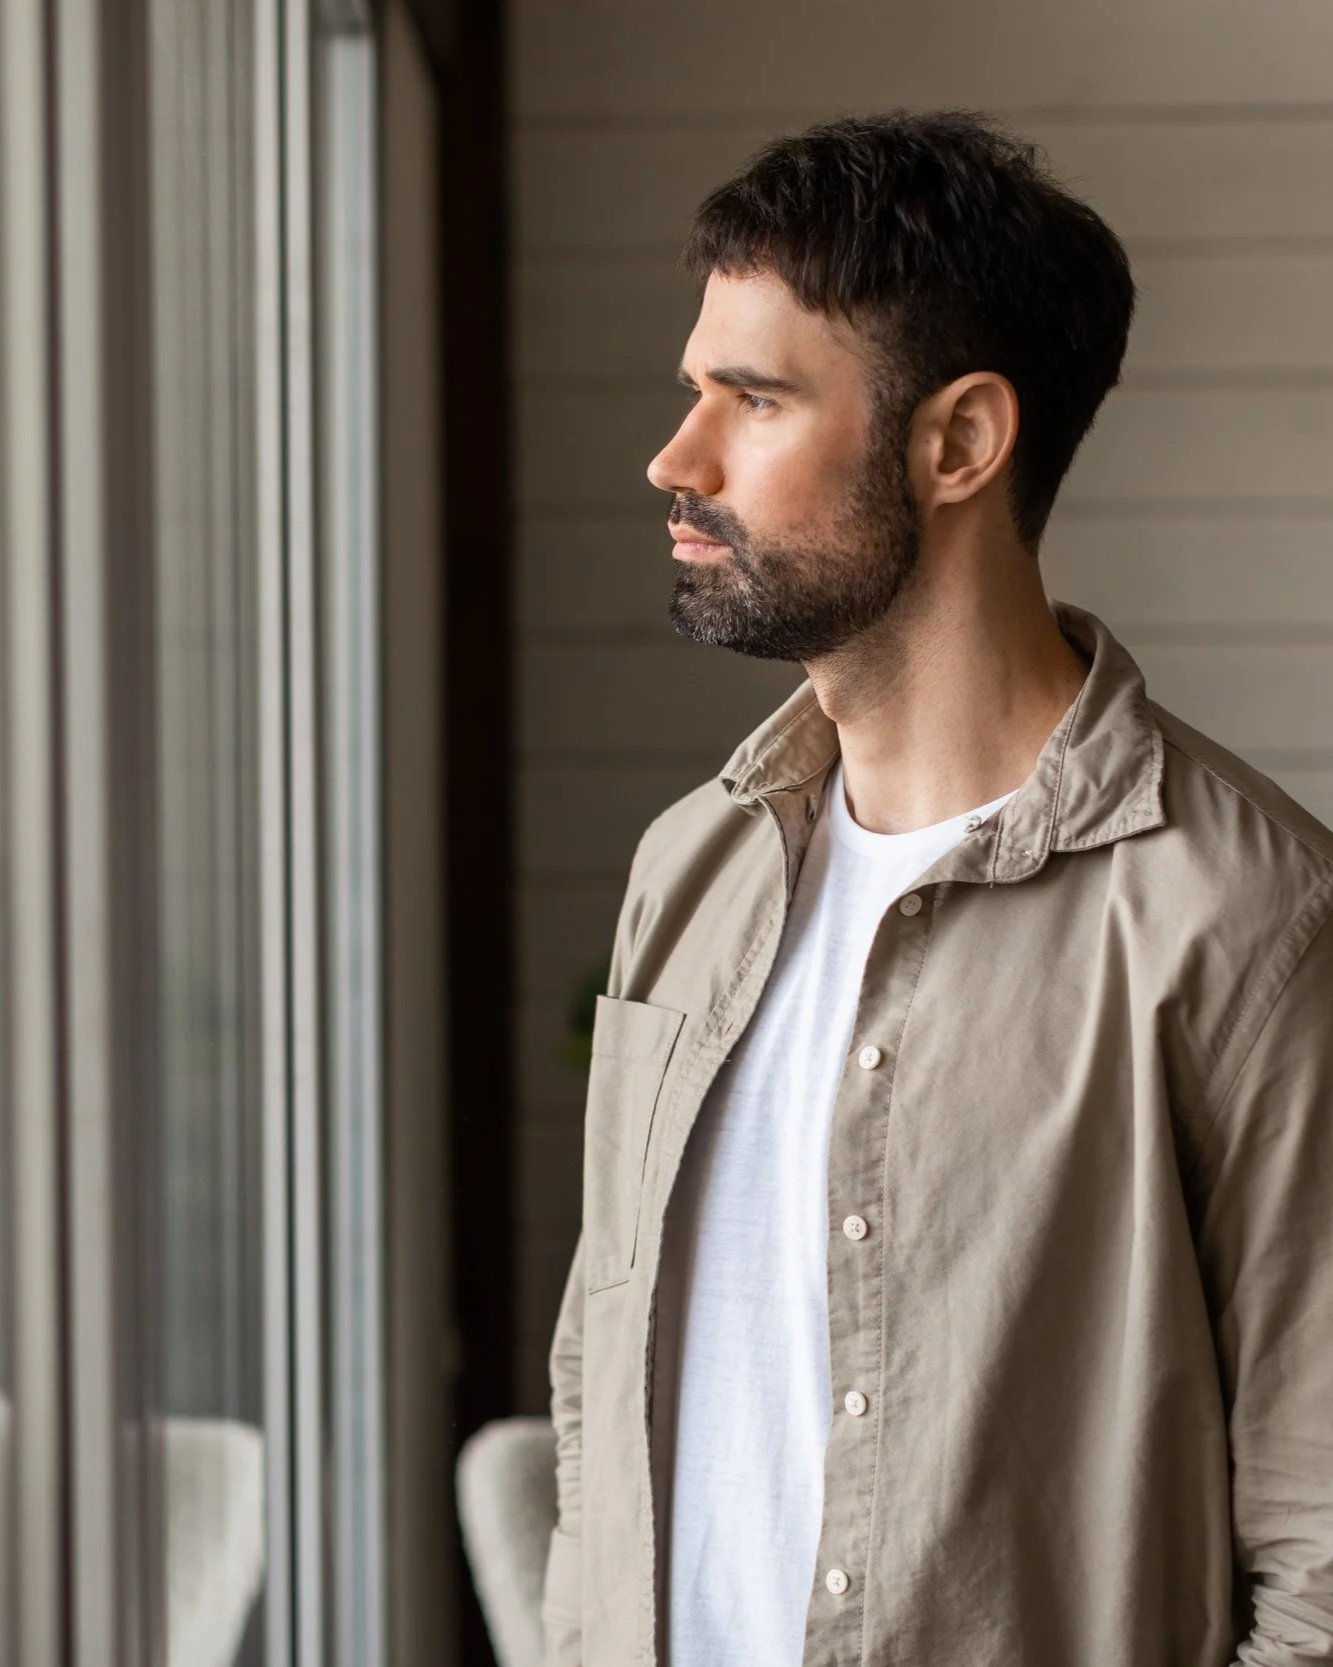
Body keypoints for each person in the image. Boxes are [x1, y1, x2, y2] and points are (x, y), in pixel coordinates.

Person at [540, 108, 1333, 1667]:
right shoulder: (687, 869)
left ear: (959, 442)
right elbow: (598, 1376)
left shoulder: (1243, 921)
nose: (673, 458)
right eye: (692, 389)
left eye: (750, 399)